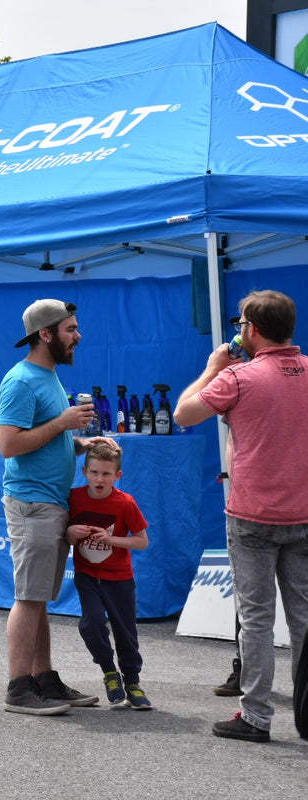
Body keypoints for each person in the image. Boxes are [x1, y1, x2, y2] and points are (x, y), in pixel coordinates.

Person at [173, 289, 308, 743]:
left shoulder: (240, 378)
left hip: (253, 514)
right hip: (303, 511)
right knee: (304, 617)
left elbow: (183, 414)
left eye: (241, 324)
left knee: (256, 619)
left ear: (251, 328)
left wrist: (213, 369)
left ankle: (256, 716)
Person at [0, 299, 114, 715]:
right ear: (46, 334)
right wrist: (63, 424)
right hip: (32, 504)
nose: (78, 336)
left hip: (50, 503)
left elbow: (45, 438)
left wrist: (85, 445)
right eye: (71, 329)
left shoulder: (48, 377)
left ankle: (44, 679)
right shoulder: (22, 381)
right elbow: (8, 445)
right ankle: (17, 688)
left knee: (39, 596)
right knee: (29, 598)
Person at [66, 442, 152, 710]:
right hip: (88, 575)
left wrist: (113, 539)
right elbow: (63, 532)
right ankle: (109, 672)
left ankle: (133, 682)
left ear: (118, 476)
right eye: (94, 472)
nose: (99, 479)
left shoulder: (125, 503)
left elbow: (142, 541)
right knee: (91, 623)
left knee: (125, 632)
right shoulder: (75, 498)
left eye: (106, 474)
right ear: (84, 471)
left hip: (120, 579)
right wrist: (70, 534)